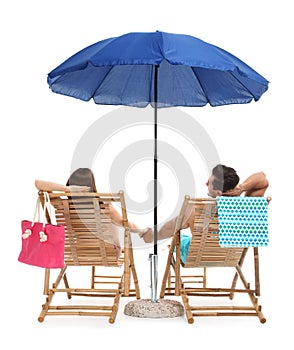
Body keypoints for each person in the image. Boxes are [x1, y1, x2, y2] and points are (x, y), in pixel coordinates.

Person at [35, 168, 153, 258]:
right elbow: (127, 224)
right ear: (92, 185)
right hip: (108, 253)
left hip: (77, 251)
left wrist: (67, 190)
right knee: (117, 223)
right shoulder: (104, 206)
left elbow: (38, 184)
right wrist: (143, 231)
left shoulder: (62, 205)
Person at [141, 164, 269, 243]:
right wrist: (241, 187)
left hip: (200, 255)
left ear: (219, 192)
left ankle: (152, 236)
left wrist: (152, 236)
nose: (206, 184)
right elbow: (263, 179)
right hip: (234, 254)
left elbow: (171, 228)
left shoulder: (198, 209)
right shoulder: (246, 209)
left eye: (210, 183)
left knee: (179, 233)